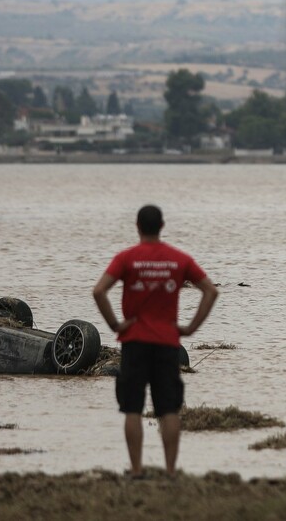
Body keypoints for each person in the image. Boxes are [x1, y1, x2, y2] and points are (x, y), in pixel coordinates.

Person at [93, 204, 218, 478]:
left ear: (137, 227)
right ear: (162, 227)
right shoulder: (179, 259)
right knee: (169, 409)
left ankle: (137, 471)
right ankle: (171, 471)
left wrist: (115, 324)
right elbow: (210, 291)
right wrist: (190, 328)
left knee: (132, 409)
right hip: (167, 343)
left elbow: (99, 290)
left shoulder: (127, 258)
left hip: (134, 342)